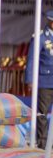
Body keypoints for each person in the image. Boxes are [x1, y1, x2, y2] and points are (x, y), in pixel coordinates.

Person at [25, 10, 53, 147]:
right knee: (42, 113)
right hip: (45, 82)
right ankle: (42, 143)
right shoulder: (41, 37)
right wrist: (30, 79)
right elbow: (31, 59)